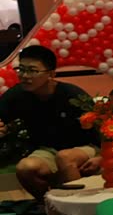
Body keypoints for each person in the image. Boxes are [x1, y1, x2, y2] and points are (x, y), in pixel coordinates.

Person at [0, 45, 98, 198]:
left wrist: (102, 157)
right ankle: (49, 203)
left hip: (87, 147)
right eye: (21, 69)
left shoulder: (72, 95)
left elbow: (102, 129)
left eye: (32, 71)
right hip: (49, 150)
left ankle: (79, 206)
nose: (24, 75)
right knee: (25, 168)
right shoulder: (17, 95)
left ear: (51, 74)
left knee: (65, 158)